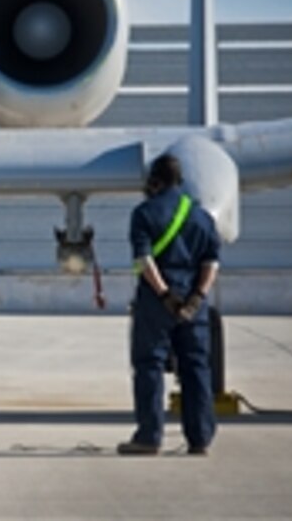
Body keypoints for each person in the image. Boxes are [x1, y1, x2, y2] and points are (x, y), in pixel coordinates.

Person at [118, 154, 221, 456]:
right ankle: (200, 437)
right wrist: (197, 297)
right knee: (196, 367)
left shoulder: (144, 213)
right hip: (194, 301)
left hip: (156, 302)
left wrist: (164, 295)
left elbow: (143, 260)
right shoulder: (203, 218)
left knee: (149, 364)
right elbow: (211, 262)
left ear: (155, 181)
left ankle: (149, 437)